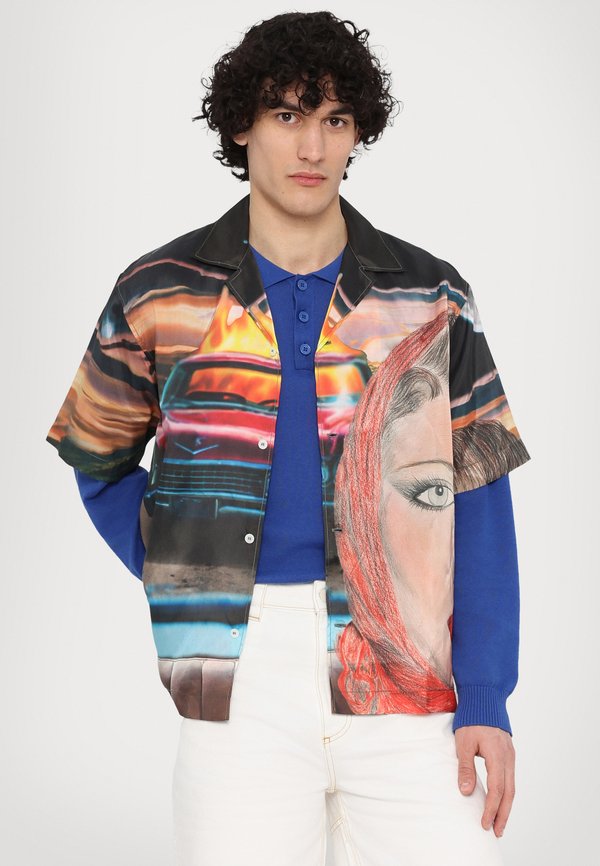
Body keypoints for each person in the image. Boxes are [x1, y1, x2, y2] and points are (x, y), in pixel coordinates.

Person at [46, 10, 531, 865]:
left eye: (335, 120)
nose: (312, 147)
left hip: (409, 664)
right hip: (237, 677)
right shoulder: (160, 291)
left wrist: (486, 693)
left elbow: (482, 495)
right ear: (242, 125)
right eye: (286, 115)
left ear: (357, 134)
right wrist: (182, 565)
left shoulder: (431, 295)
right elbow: (99, 457)